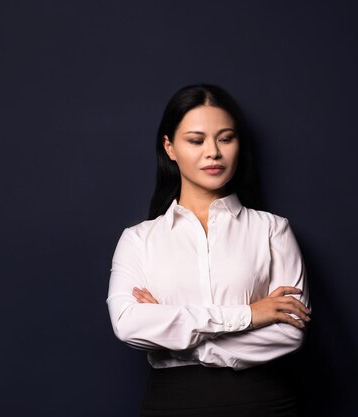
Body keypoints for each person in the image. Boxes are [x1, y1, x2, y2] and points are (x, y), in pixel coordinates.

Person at [107, 84, 311, 417]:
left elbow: (289, 333)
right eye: (196, 140)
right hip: (172, 405)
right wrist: (248, 315)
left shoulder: (273, 230)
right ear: (170, 147)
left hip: (266, 404)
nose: (213, 152)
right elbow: (129, 324)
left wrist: (178, 338)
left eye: (226, 138)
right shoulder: (138, 239)